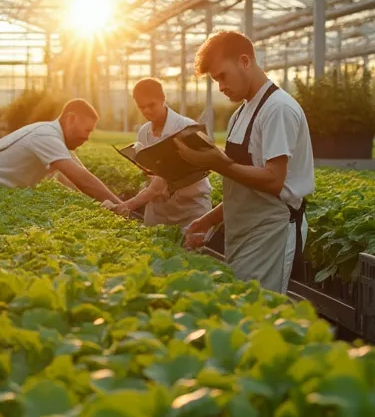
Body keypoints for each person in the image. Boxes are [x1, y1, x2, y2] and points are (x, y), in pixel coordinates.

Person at [177, 31, 314, 294]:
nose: (220, 86)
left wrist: (217, 163)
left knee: (256, 312)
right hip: (245, 230)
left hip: (271, 231)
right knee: (241, 307)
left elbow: (274, 180)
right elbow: (242, 185)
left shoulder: (278, 109)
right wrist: (206, 221)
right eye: (216, 80)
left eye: (222, 76)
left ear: (245, 61)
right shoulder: (241, 113)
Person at [0, 98, 122, 207]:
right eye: (86, 130)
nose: (87, 137)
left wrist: (108, 204)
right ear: (71, 118)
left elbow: (77, 176)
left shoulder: (55, 139)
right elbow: (82, 179)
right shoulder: (46, 135)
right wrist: (124, 208)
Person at [114, 78, 213, 227]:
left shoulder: (187, 127)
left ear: (163, 99)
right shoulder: (143, 133)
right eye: (142, 107)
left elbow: (165, 180)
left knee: (189, 249)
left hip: (191, 210)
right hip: (158, 212)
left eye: (151, 105)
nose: (146, 111)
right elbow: (153, 175)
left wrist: (129, 204)